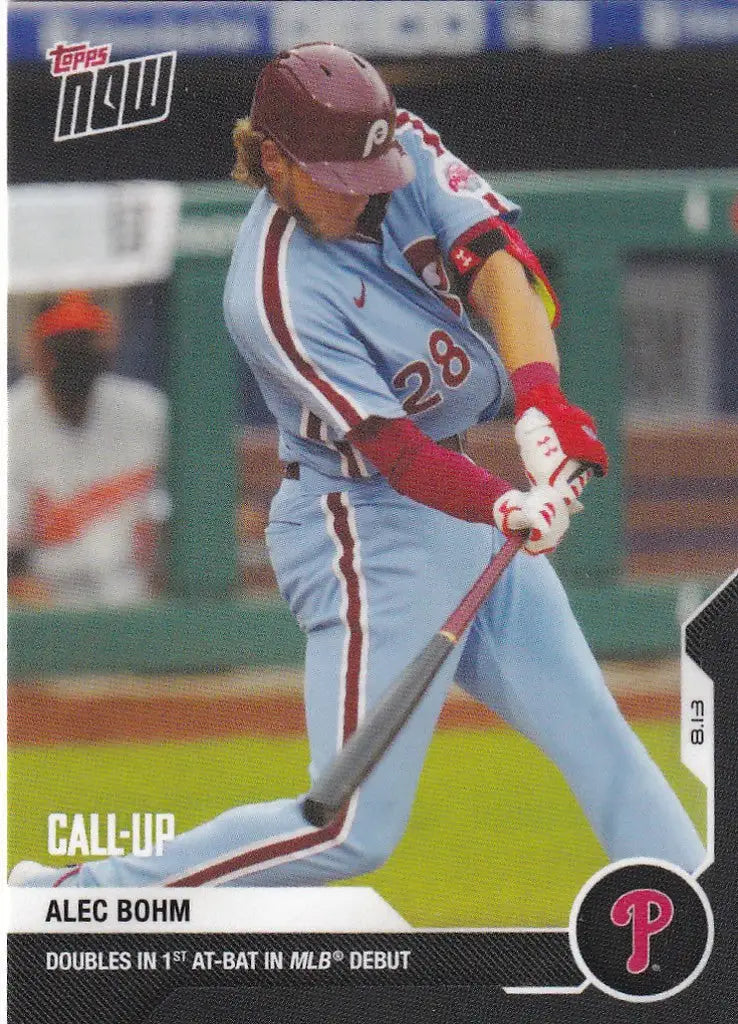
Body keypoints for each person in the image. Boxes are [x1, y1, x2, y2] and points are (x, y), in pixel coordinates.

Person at [10, 43, 704, 888]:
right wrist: (502, 505)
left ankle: (710, 931)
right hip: (363, 525)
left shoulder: (396, 145)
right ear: (274, 160)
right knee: (346, 828)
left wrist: (541, 406)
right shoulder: (272, 296)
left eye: (373, 166)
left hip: (462, 503)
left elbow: (498, 264)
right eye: (342, 176)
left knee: (601, 740)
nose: (369, 190)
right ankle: (76, 897)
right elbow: (396, 457)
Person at [7, 291, 169, 608]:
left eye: (84, 345)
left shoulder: (146, 411)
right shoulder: (11, 422)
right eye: (64, 348)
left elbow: (176, 523)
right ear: (36, 353)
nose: (75, 360)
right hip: (47, 614)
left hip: (139, 604)